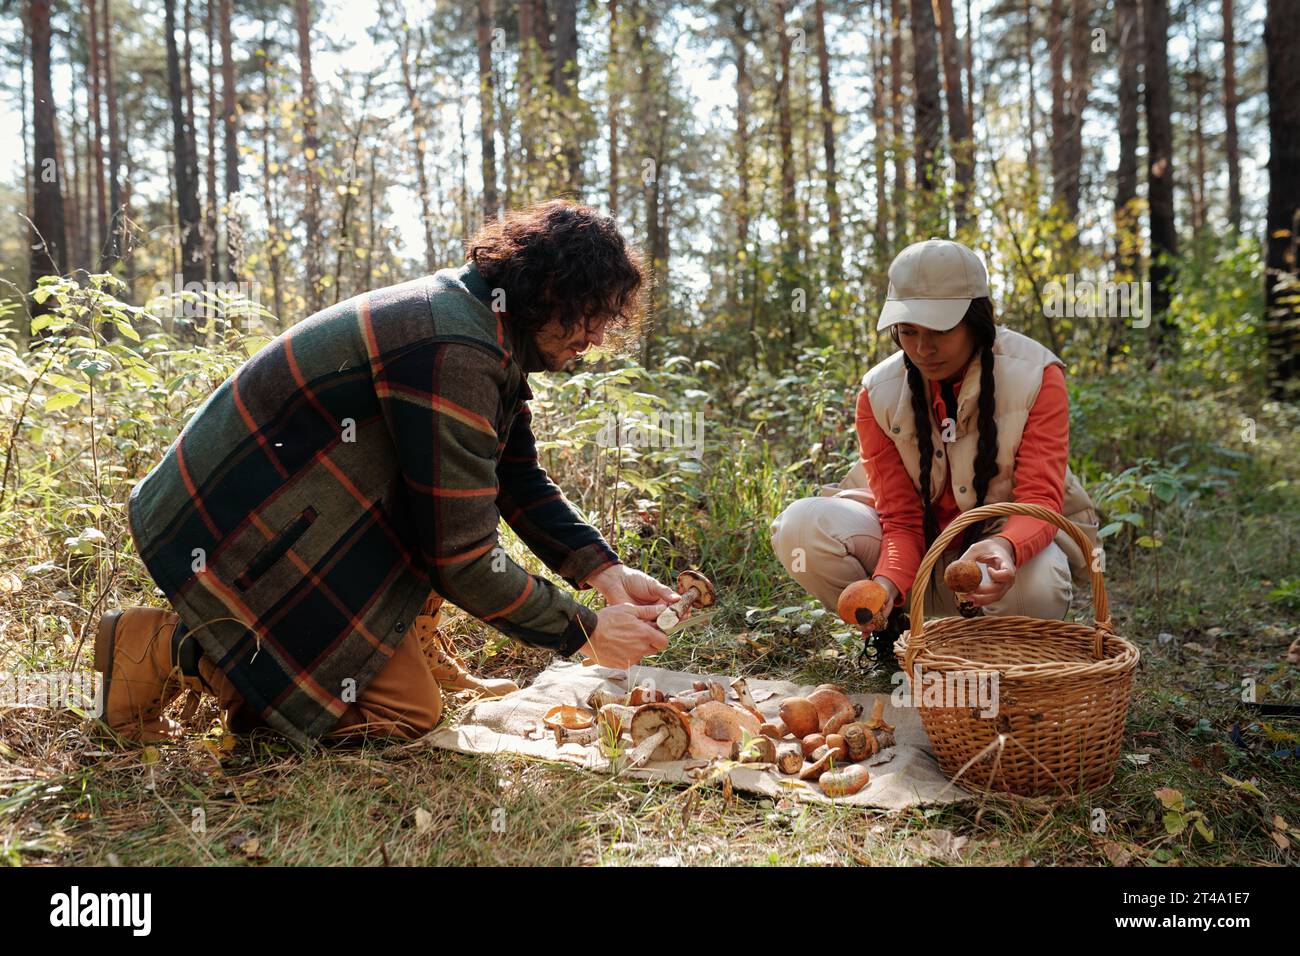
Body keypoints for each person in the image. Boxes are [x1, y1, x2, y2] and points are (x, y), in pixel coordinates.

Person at [97, 201, 677, 745]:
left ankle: (400, 639)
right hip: (238, 526)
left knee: (435, 501)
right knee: (403, 715)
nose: (596, 339)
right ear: (550, 289)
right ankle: (164, 648)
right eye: (590, 317)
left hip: (291, 515)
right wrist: (584, 631)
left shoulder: (483, 327)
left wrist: (604, 572)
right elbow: (463, 558)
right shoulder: (457, 349)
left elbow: (517, 479)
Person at [770, 238, 1100, 633]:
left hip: (999, 557)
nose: (923, 349)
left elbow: (1039, 501)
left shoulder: (1036, 375)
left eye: (940, 330)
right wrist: (887, 581)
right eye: (908, 332)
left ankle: (988, 648)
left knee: (1039, 585)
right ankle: (896, 631)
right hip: (918, 553)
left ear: (977, 320)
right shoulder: (879, 391)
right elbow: (900, 519)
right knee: (802, 528)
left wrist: (1004, 547)